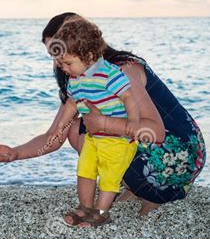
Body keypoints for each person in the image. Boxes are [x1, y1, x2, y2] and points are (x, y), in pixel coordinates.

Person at [0, 12, 206, 225]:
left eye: (61, 53)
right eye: (53, 55)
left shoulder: (121, 71)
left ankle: (152, 195)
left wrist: (105, 124)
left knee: (82, 130)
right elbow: (54, 136)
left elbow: (155, 132)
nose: (57, 63)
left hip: (181, 156)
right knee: (76, 128)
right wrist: (15, 153)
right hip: (156, 153)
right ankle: (134, 186)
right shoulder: (79, 78)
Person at [44, 15, 139, 226]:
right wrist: (59, 128)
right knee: (85, 170)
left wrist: (133, 122)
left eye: (67, 63)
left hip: (118, 140)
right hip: (94, 137)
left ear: (87, 55)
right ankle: (85, 207)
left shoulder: (109, 73)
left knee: (109, 178)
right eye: (60, 64)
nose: (63, 68)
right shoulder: (76, 79)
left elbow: (129, 96)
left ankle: (101, 212)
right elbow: (71, 104)